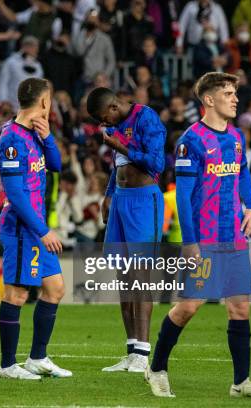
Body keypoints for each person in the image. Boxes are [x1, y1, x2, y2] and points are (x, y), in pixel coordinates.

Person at [146, 72, 251, 398]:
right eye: (228, 93)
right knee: (189, 306)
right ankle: (156, 368)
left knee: (240, 309)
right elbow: (185, 197)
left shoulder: (234, 137)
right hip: (204, 241)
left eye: (235, 93)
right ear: (209, 100)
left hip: (232, 237)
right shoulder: (191, 141)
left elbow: (242, 172)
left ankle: (241, 382)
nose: (235, 99)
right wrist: (190, 243)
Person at [0, 77, 70, 380]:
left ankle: (38, 358)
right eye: (49, 99)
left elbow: (56, 165)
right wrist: (43, 230)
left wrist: (49, 137)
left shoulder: (35, 133)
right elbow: (14, 194)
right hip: (22, 229)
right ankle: (8, 365)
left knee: (55, 289)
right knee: (16, 295)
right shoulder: (12, 139)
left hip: (35, 227)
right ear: (43, 101)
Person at [86, 86, 166, 373]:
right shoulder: (117, 127)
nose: (103, 124)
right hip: (120, 200)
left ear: (112, 108)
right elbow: (117, 165)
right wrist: (109, 195)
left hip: (144, 202)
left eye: (102, 118)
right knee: (124, 278)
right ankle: (131, 351)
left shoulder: (146, 119)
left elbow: (157, 162)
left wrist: (120, 146)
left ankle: (144, 355)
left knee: (141, 276)